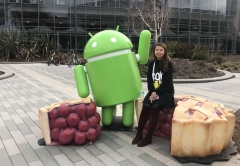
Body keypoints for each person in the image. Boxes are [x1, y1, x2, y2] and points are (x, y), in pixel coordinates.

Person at [132, 42, 175, 147]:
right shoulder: (152, 64)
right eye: (157, 50)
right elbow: (149, 80)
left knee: (155, 107)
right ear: (154, 51)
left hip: (165, 92)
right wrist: (152, 92)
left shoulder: (169, 63)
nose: (158, 52)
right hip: (153, 92)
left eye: (161, 50)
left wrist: (157, 93)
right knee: (146, 106)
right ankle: (139, 134)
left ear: (164, 51)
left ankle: (148, 137)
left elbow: (167, 82)